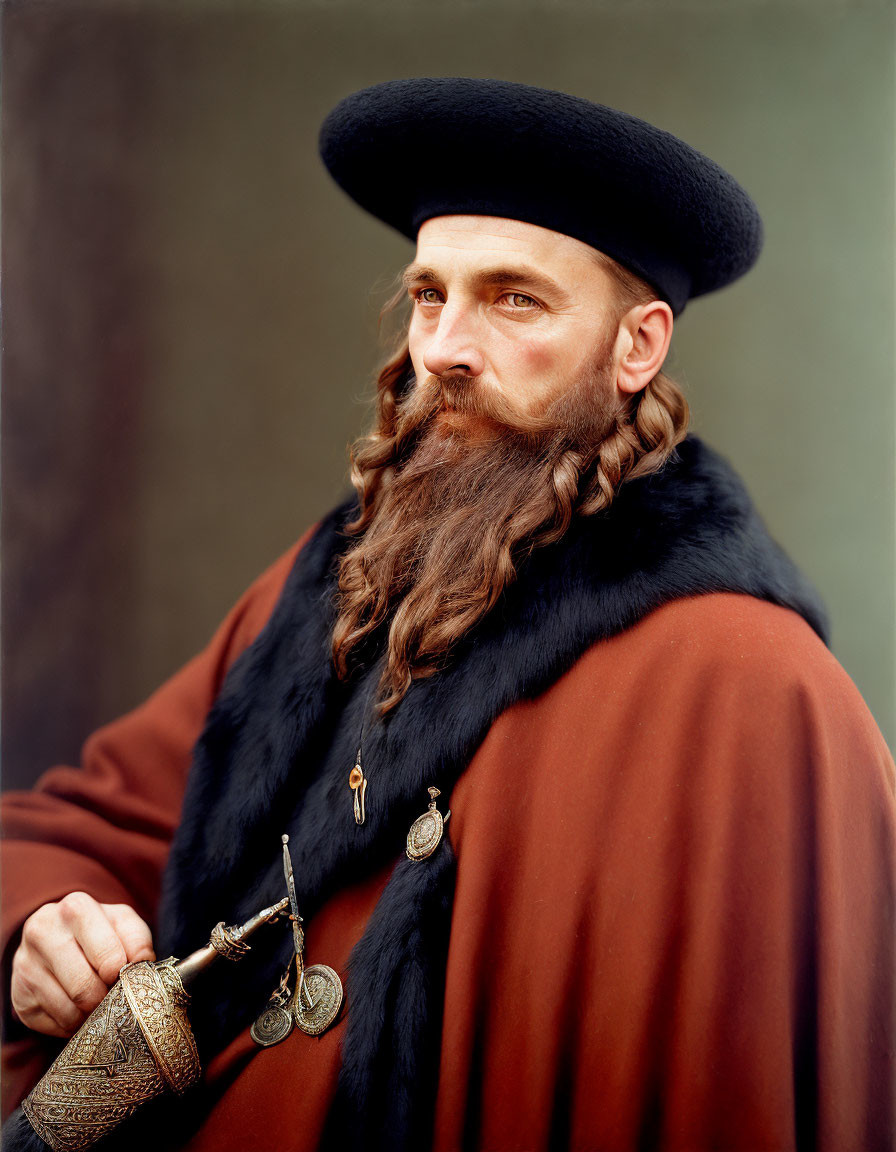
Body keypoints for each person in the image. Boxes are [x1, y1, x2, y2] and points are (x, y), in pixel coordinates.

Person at [3, 78, 894, 1152]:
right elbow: (88, 822)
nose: (442, 350)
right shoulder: (342, 575)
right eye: (431, 296)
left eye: (513, 300)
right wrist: (47, 923)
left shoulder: (745, 684)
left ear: (635, 347)